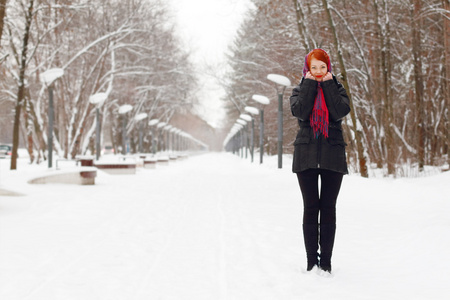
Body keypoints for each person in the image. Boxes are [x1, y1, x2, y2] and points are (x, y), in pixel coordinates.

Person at [289, 48, 350, 273]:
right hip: (305, 156)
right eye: (313, 67)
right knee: (310, 208)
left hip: (332, 155)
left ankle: (325, 262)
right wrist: (310, 84)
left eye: (322, 67)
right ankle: (310, 261)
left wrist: (327, 84)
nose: (317, 71)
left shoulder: (337, 89)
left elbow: (339, 111)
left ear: (328, 68)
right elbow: (301, 112)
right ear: (307, 69)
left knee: (328, 208)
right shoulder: (298, 90)